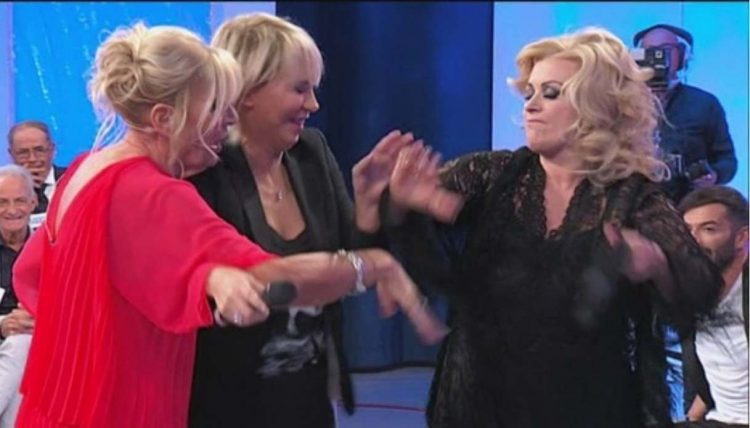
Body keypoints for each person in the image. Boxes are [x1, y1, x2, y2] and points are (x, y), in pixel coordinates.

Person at [11, 22, 445, 428]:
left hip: (56, 406)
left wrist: (202, 276)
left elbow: (32, 276)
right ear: (164, 118)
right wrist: (373, 266)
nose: (228, 119)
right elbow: (272, 277)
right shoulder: (156, 192)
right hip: (119, 410)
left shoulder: (84, 171)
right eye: (217, 107)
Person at [379, 27, 723, 427]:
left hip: (588, 406)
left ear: (595, 106)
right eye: (529, 93)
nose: (531, 105)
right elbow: (433, 271)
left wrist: (657, 265)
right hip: (481, 402)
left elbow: (701, 290)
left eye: (551, 93)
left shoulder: (634, 198)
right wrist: (409, 209)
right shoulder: (490, 174)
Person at [188, 13, 415, 427]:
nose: (313, 104)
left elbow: (349, 264)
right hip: (226, 405)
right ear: (248, 91)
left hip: (309, 399)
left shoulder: (311, 152)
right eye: (299, 89)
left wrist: (368, 206)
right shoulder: (201, 174)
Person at [632, 24, 737, 203]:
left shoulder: (705, 104)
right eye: (650, 51)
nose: (658, 57)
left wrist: (714, 175)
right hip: (636, 204)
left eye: (665, 50)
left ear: (682, 56)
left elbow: (727, 160)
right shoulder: (623, 104)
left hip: (689, 205)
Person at [676, 186, 748, 428]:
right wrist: (692, 417)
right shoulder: (691, 292)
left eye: (708, 229)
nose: (693, 241)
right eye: (687, 230)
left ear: (742, 237)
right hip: (718, 418)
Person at [0, 165, 36, 427]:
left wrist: (37, 320)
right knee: (22, 345)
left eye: (19, 200)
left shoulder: (51, 248)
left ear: (33, 203)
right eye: (2, 202)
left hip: (37, 341)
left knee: (24, 343)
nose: (12, 210)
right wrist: (2, 325)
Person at [7, 121, 67, 215]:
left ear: (52, 149)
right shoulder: (3, 188)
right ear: (11, 154)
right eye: (23, 152)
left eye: (39, 150)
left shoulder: (73, 180)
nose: (32, 159)